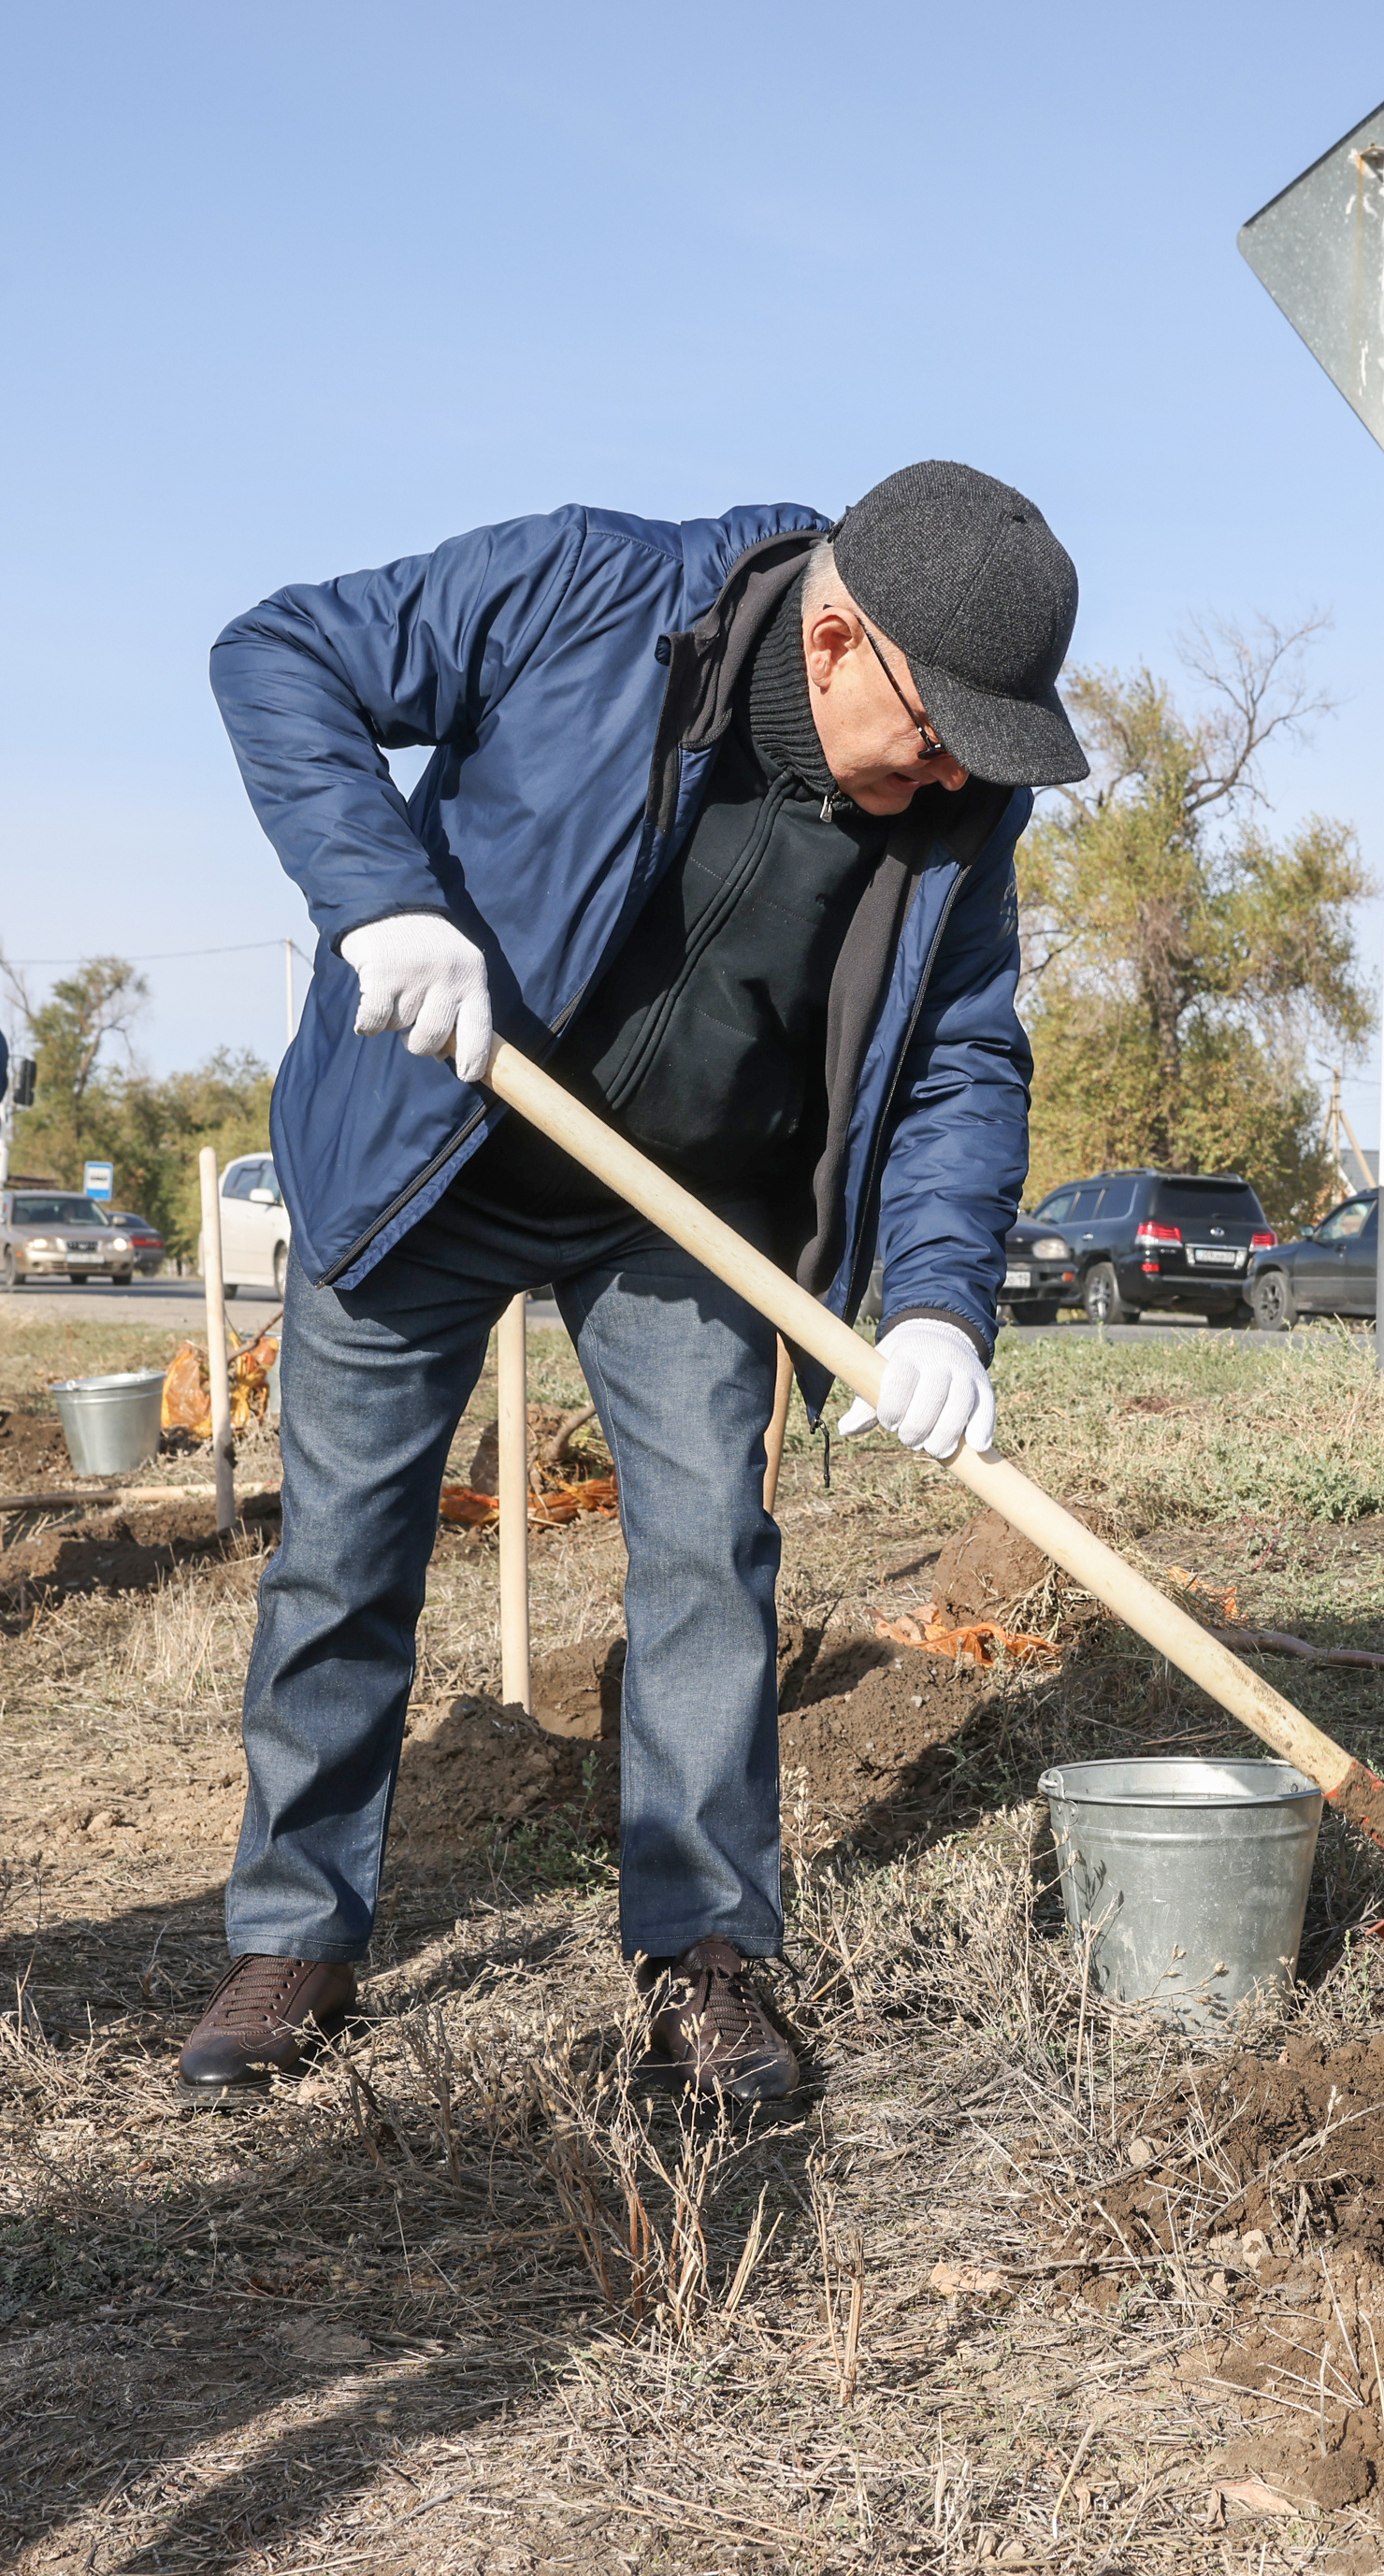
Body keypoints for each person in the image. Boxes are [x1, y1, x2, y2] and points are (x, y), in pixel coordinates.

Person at [183, 462, 1089, 2105]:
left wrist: (944, 1294)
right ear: (838, 645)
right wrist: (380, 898)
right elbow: (279, 652)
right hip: (426, 1152)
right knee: (344, 1552)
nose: (958, 768)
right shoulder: (585, 593)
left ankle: (708, 1958)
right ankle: (295, 1935)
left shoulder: (961, 810)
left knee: (708, 1557)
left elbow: (964, 1052)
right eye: (943, 726)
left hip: (683, 1203)